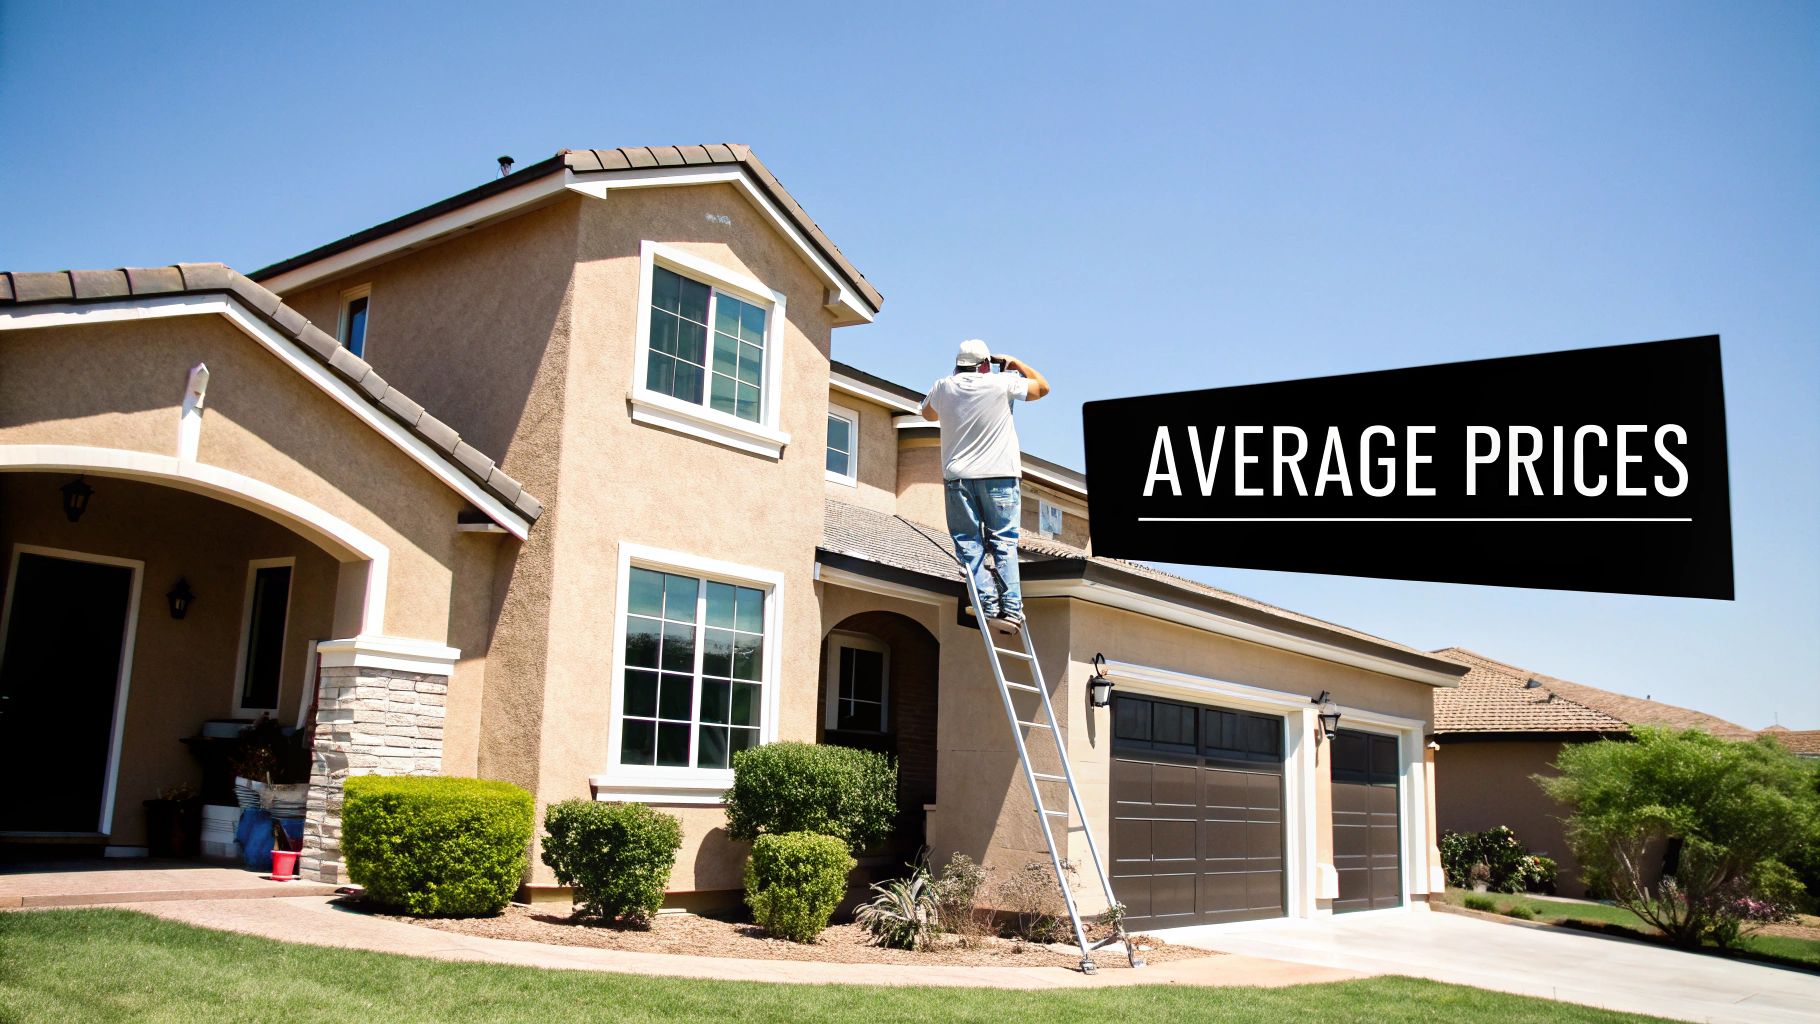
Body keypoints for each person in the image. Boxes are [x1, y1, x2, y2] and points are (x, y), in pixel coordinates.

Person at [920, 339, 1051, 636]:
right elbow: (1042, 387)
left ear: (958, 364)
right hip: (1000, 476)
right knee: (1003, 542)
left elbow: (928, 414)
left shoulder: (943, 387)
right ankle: (1012, 611)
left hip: (959, 479)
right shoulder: (1002, 382)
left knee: (968, 543)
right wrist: (1014, 362)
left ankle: (989, 607)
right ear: (984, 364)